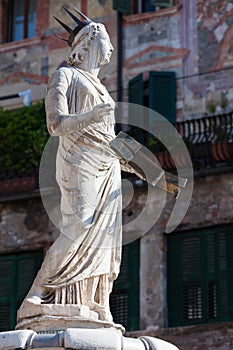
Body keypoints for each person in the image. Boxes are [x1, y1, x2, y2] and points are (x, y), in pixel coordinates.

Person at [17, 8, 126, 324]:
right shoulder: (65, 76)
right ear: (91, 42)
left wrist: (141, 167)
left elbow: (109, 140)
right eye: (107, 41)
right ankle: (36, 295)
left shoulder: (102, 88)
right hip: (78, 161)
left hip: (107, 168)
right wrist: (95, 114)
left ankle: (97, 303)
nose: (112, 49)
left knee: (107, 237)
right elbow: (56, 124)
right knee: (79, 224)